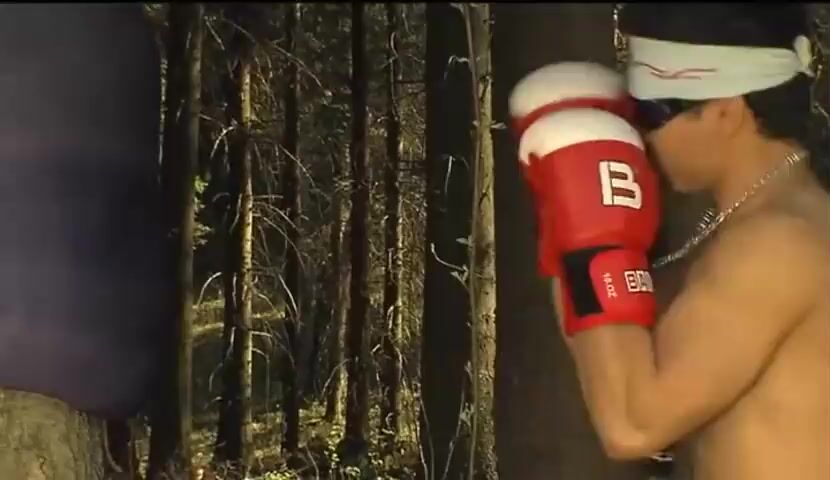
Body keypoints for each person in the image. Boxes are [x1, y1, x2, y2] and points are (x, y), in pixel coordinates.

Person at [509, 4, 829, 480]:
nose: (640, 132)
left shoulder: (776, 245)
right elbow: (622, 361)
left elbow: (634, 425)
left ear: (725, 111)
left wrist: (587, 242)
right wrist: (568, 216)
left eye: (651, 112)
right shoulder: (756, 226)